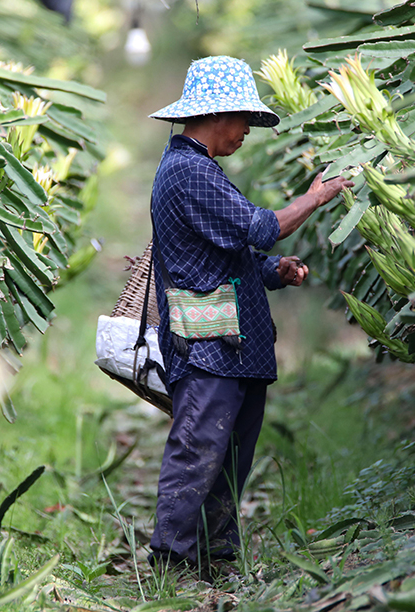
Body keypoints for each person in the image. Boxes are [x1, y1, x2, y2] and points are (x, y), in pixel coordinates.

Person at [146, 55, 353, 578]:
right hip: (209, 346)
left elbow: (224, 251)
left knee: (227, 458)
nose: (246, 131)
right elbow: (262, 227)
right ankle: (171, 560)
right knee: (198, 450)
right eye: (244, 119)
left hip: (231, 346)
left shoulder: (197, 169)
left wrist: (271, 271)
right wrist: (317, 196)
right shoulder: (189, 172)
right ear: (217, 114)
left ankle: (215, 556)